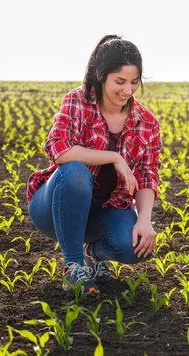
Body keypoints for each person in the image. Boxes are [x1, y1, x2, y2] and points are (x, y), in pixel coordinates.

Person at [27, 35, 162, 295]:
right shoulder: (77, 101)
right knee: (75, 170)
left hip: (107, 208)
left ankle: (92, 252)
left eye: (134, 82)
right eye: (120, 82)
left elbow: (147, 175)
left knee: (136, 247)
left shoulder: (146, 121)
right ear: (101, 76)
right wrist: (114, 157)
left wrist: (144, 220)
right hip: (56, 206)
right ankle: (74, 266)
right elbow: (60, 149)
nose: (128, 90)